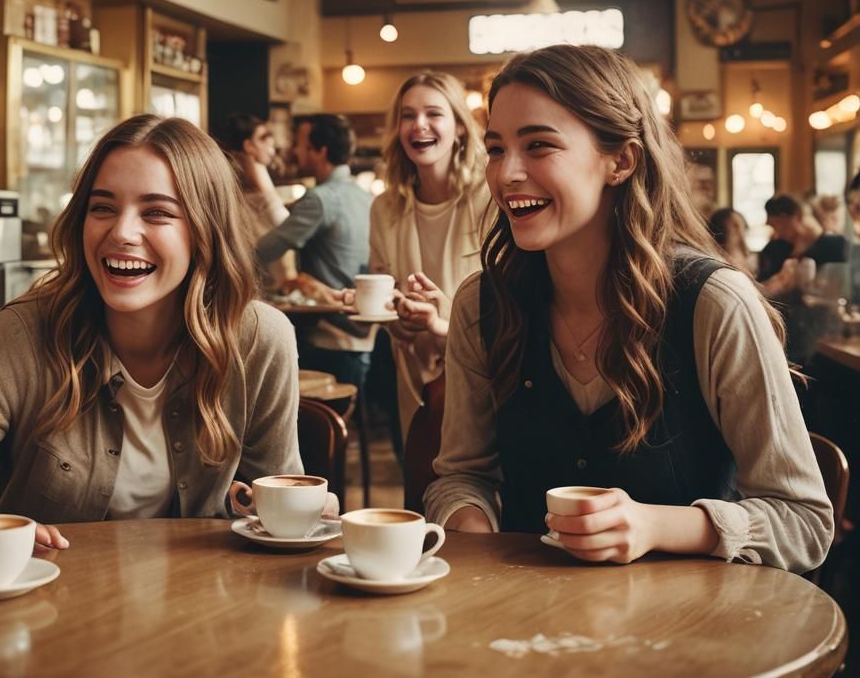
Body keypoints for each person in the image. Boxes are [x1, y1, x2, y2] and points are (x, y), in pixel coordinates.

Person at [425, 45, 832, 573]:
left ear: (620, 160)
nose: (506, 175)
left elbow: (803, 519)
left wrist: (655, 525)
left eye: (539, 145)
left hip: (694, 630)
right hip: (526, 625)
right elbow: (461, 476)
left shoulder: (713, 303)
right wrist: (476, 530)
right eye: (497, 149)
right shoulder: (482, 306)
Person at [0, 115, 307, 549]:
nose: (121, 233)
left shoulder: (259, 339)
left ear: (206, 231)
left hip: (200, 607)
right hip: (42, 604)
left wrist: (288, 509)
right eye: (102, 207)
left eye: (157, 212)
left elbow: (274, 497)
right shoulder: (22, 333)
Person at [365, 72, 489, 443]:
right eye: (407, 115)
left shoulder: (489, 199)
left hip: (481, 377)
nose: (419, 125)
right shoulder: (384, 208)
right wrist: (394, 313)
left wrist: (442, 318)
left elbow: (506, 301)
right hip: (416, 381)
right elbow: (390, 310)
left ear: (460, 129)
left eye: (434, 113)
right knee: (423, 485)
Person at [257, 113, 371, 386]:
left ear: (320, 152)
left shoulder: (320, 199)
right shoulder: (363, 195)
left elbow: (263, 250)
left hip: (329, 337)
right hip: (364, 331)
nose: (295, 151)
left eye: (300, 145)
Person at [221, 112, 295, 289]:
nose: (271, 143)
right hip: (267, 282)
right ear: (248, 146)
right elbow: (284, 224)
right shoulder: (255, 184)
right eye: (263, 138)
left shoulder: (231, 179)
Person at [707, 207, 756, 276]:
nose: (738, 230)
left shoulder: (747, 256)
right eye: (735, 226)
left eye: (738, 225)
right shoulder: (716, 259)